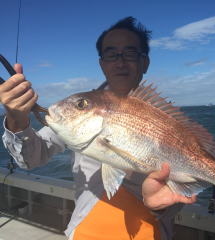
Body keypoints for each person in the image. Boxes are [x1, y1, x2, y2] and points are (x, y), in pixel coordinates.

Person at [0, 17, 196, 240]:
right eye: (111, 54)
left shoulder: (168, 121)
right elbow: (31, 159)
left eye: (130, 53)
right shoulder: (81, 109)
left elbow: (183, 191)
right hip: (85, 232)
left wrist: (159, 207)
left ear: (145, 62)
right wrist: (16, 119)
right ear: (102, 63)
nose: (120, 62)